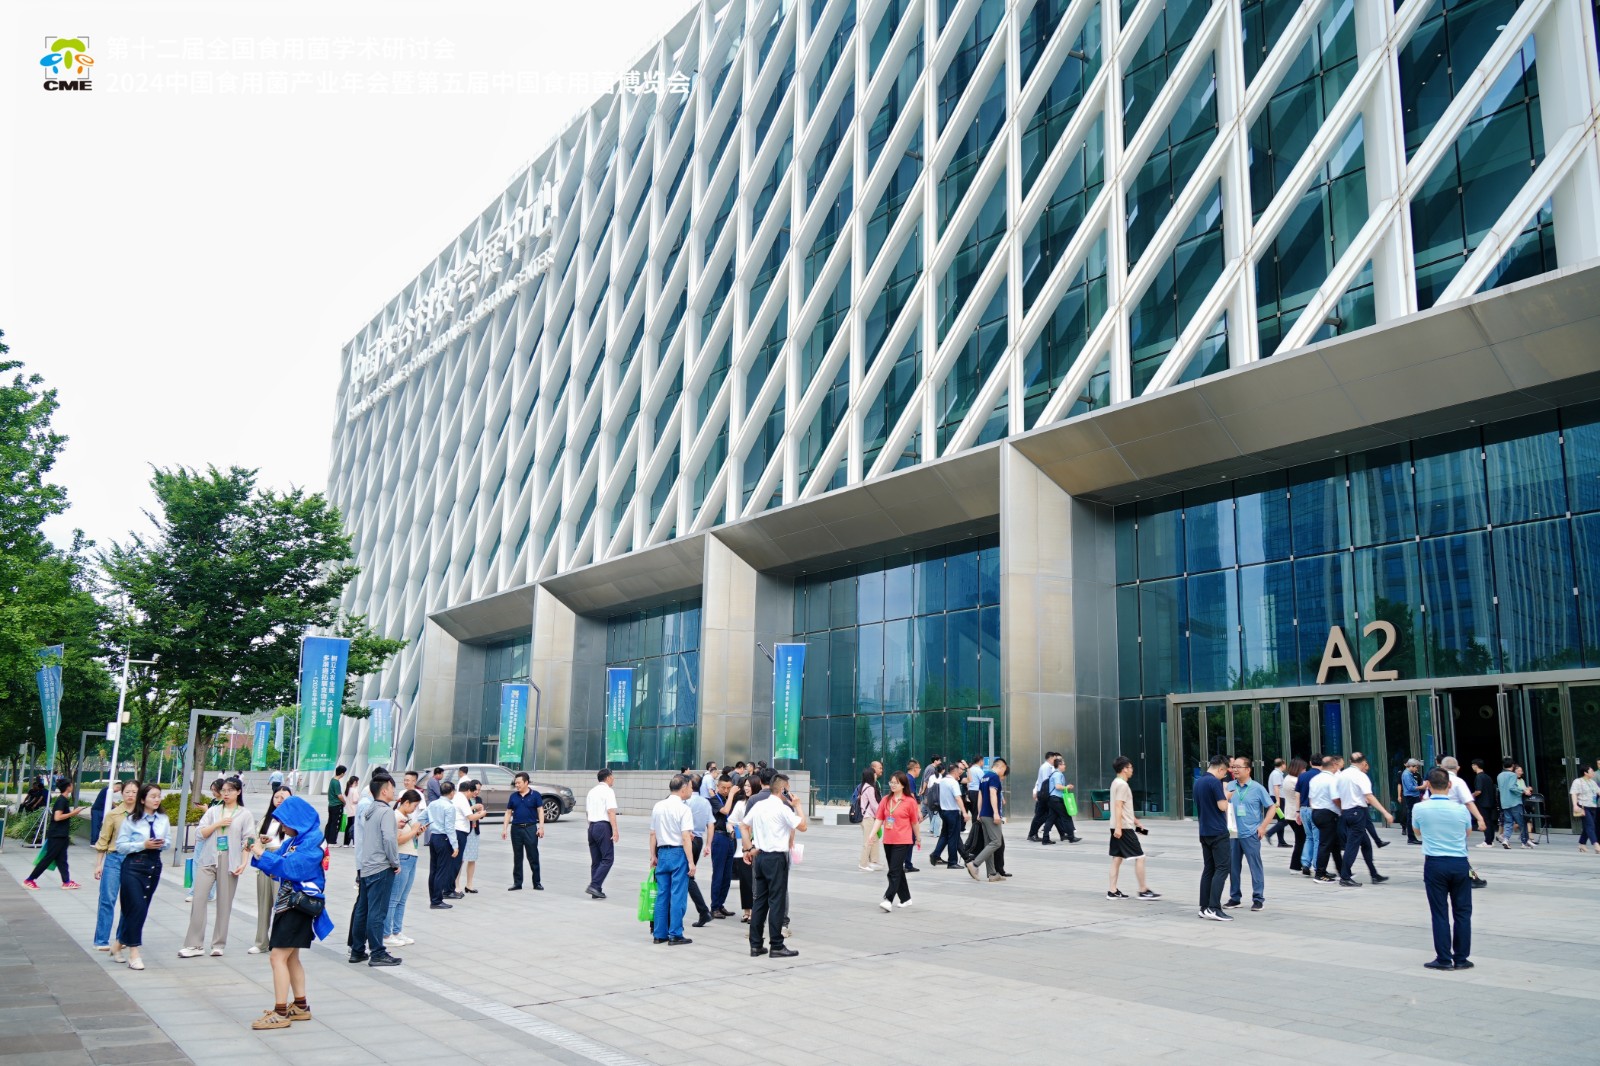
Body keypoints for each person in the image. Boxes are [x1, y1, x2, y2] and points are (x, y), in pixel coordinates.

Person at [247, 795, 333, 1029]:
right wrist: (259, 851)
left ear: (297, 820)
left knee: (277, 957)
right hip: (290, 904)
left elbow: (292, 867)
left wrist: (261, 853)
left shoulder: (312, 841)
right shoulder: (298, 839)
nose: (283, 828)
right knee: (291, 957)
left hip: (298, 905)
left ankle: (280, 1012)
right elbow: (277, 861)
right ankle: (300, 1006)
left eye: (285, 823)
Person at [180, 776, 252, 958]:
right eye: (224, 790)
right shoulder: (213, 811)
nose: (226, 794)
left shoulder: (244, 814)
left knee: (224, 903)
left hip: (230, 860)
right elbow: (200, 834)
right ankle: (194, 944)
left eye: (230, 790)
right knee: (198, 899)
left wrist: (244, 862)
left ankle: (218, 944)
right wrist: (218, 824)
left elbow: (249, 840)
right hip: (208, 858)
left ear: (238, 792)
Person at [1411, 770, 1474, 971]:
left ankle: (1444, 959)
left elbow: (1417, 832)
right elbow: (1467, 832)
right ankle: (1461, 958)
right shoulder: (1461, 809)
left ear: (1428, 785)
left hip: (1435, 863)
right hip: (1460, 863)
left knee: (1439, 912)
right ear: (1450, 785)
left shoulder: (1419, 808)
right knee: (1462, 912)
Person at [743, 771, 805, 958]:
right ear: (784, 789)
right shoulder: (783, 808)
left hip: (760, 857)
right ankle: (776, 945)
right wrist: (798, 806)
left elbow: (743, 825)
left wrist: (748, 848)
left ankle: (755, 945)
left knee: (760, 901)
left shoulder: (759, 805)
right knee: (776, 901)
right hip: (776, 858)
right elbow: (803, 826)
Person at [112, 783, 170, 970]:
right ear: (143, 799)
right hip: (133, 865)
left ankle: (119, 943)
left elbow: (168, 842)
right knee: (136, 906)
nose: (157, 799)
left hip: (153, 865)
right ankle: (134, 953)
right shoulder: (132, 820)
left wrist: (161, 843)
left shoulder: (163, 819)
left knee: (141, 908)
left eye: (159, 796)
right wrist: (142, 844)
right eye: (153, 796)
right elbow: (121, 846)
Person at [350, 772, 401, 967]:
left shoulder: (369, 809)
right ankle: (377, 952)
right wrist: (395, 862)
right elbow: (389, 838)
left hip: (366, 866)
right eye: (392, 788)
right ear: (384, 790)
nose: (394, 791)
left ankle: (357, 950)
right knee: (377, 912)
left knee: (363, 910)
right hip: (381, 867)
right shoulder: (386, 811)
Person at [648, 774, 697, 945]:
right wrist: (691, 862)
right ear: (683, 788)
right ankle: (675, 934)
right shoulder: (684, 809)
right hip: (678, 853)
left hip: (662, 853)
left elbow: (653, 833)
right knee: (678, 895)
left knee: (662, 894)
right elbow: (685, 837)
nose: (691, 790)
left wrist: (653, 855)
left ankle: (659, 934)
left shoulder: (658, 806)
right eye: (690, 787)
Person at [1225, 756, 1279, 911]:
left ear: (1248, 769)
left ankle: (1258, 898)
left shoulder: (1257, 788)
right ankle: (1235, 897)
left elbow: (1272, 807)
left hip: (1251, 833)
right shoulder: (1230, 786)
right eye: (1233, 767)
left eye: (1238, 767)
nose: (1235, 770)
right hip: (1233, 833)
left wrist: (1263, 827)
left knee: (1255, 866)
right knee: (1233, 867)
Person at [92, 780, 140, 950]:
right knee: (107, 899)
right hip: (114, 859)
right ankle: (101, 940)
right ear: (121, 793)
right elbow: (103, 840)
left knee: (129, 901)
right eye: (127, 792)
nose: (130, 795)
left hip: (134, 860)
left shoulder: (144, 815)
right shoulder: (113, 815)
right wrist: (99, 864)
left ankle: (122, 939)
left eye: (134, 792)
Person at [1336, 752, 1394, 887]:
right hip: (1358, 813)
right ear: (1363, 763)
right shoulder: (1361, 776)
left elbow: (1338, 796)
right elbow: (1369, 796)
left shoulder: (1342, 775)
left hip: (1346, 812)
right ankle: (1345, 877)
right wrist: (1385, 813)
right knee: (1352, 846)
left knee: (1366, 844)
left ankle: (1374, 874)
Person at [1106, 756, 1158, 900]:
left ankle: (1112, 890)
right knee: (1140, 857)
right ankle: (1143, 890)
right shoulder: (1122, 785)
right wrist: (1120, 827)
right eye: (1130, 767)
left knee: (1117, 858)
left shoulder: (1115, 783)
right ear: (1124, 769)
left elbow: (1123, 808)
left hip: (1118, 826)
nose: (1132, 770)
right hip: (1123, 828)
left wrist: (1135, 822)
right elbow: (1118, 806)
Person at [24, 775, 86, 891]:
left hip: (61, 835)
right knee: (48, 858)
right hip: (57, 835)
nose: (72, 786)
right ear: (68, 787)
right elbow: (57, 817)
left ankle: (66, 882)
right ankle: (30, 879)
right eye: (71, 785)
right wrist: (73, 813)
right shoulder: (61, 800)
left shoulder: (64, 800)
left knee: (62, 859)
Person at [250, 785, 292, 955]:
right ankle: (261, 942)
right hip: (265, 860)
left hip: (281, 863)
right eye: (276, 797)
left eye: (283, 797)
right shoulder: (266, 819)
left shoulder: (292, 820)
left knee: (280, 904)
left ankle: (279, 941)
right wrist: (260, 843)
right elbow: (256, 841)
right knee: (263, 903)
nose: (279, 800)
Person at [383, 788, 425, 949]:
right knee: (394, 898)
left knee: (402, 899)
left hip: (411, 857)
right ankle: (386, 934)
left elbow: (406, 837)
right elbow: (397, 840)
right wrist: (414, 830)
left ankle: (396, 931)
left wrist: (416, 833)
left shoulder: (406, 817)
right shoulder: (396, 817)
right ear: (406, 802)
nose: (415, 809)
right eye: (414, 806)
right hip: (403, 857)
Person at [875, 771, 921, 912]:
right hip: (888, 840)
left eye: (896, 783)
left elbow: (914, 822)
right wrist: (871, 835)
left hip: (903, 840)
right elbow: (879, 819)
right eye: (891, 782)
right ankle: (906, 898)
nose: (893, 785)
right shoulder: (885, 800)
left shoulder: (910, 801)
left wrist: (918, 838)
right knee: (897, 870)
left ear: (903, 785)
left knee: (893, 871)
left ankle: (888, 899)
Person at [1194, 756, 1232, 921]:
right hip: (1218, 831)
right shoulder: (1214, 782)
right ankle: (1214, 907)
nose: (1224, 776)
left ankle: (1204, 907)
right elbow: (1222, 806)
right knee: (1222, 868)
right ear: (1221, 769)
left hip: (1204, 831)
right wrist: (1227, 796)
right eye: (1224, 773)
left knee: (1209, 869)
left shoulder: (1198, 782)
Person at [965, 757, 1008, 882]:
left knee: (988, 843)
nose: (1004, 773)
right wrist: (996, 813)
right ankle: (974, 864)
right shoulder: (994, 777)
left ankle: (992, 873)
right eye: (1004, 770)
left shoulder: (984, 777)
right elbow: (992, 793)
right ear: (1000, 767)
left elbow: (980, 795)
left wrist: (979, 812)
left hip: (984, 814)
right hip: (990, 814)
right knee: (996, 842)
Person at [503, 771, 546, 891]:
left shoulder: (535, 795)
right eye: (515, 783)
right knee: (517, 856)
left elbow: (540, 811)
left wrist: (541, 827)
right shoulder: (513, 796)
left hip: (530, 828)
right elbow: (508, 813)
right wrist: (504, 829)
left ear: (526, 782)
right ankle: (517, 883)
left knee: (533, 856)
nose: (517, 785)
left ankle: (537, 883)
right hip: (516, 829)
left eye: (519, 783)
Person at [584, 769, 619, 899]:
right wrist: (615, 830)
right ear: (608, 778)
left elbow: (587, 812)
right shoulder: (608, 791)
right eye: (612, 776)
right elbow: (610, 811)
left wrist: (591, 826)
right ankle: (594, 885)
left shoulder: (591, 791)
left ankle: (596, 890)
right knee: (608, 858)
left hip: (592, 826)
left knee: (596, 861)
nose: (613, 778)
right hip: (603, 826)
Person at [1308, 755, 1343, 883]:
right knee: (1326, 844)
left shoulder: (1315, 779)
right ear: (1333, 765)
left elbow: (1311, 798)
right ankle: (1320, 873)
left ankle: (1342, 870)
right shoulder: (1332, 780)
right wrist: (1342, 809)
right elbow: (1335, 798)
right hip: (1328, 814)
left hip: (1316, 812)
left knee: (1334, 843)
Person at [425, 780, 459, 909]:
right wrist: (455, 845)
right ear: (452, 792)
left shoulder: (433, 804)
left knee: (433, 870)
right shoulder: (449, 807)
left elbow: (423, 817)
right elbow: (449, 828)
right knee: (441, 871)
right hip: (443, 838)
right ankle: (437, 900)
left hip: (434, 837)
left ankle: (433, 899)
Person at [728, 775, 757, 923]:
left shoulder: (760, 804)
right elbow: (730, 822)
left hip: (757, 848)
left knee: (755, 882)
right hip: (742, 848)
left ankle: (755, 911)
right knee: (745, 882)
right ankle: (746, 910)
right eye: (745, 785)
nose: (746, 788)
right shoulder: (740, 804)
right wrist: (731, 830)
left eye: (749, 786)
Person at [709, 773, 736, 918]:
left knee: (727, 875)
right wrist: (731, 795)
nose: (726, 790)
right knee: (718, 873)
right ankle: (714, 907)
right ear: (718, 786)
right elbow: (725, 811)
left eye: (729, 788)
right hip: (719, 837)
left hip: (730, 837)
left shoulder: (729, 799)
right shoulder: (714, 799)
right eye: (723, 788)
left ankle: (721, 904)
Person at [930, 763, 967, 868]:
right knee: (953, 837)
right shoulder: (953, 783)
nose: (960, 774)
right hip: (952, 812)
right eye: (959, 772)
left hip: (944, 811)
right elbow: (958, 798)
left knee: (945, 835)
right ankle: (952, 862)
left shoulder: (942, 781)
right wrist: (964, 812)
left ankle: (935, 855)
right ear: (954, 772)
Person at [455, 780, 487, 893]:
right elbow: (466, 814)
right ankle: (456, 884)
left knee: (472, 858)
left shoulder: (479, 799)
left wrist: (481, 812)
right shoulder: (464, 799)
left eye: (479, 790)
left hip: (474, 831)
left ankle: (469, 884)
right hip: (464, 830)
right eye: (475, 789)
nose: (476, 792)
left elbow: (480, 817)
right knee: (460, 859)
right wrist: (474, 808)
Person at [1041, 756, 1080, 845]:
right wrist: (1067, 787)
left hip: (1052, 799)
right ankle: (1071, 837)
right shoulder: (1058, 774)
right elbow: (1057, 786)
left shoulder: (1054, 774)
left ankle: (1045, 839)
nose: (1065, 766)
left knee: (1051, 819)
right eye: (1063, 764)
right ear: (1059, 765)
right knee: (1066, 817)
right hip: (1056, 799)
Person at [1496, 758, 1534, 849]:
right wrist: (1524, 790)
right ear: (1512, 766)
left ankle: (1506, 839)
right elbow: (1512, 788)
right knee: (1522, 822)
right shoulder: (1513, 775)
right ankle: (1524, 843)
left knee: (1508, 822)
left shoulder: (1499, 775)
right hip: (1515, 802)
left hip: (1504, 802)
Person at [1294, 755, 1321, 878]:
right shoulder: (1321, 776)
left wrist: (1297, 811)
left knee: (1309, 837)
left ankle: (1305, 863)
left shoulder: (1302, 776)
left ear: (1310, 763)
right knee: (1317, 839)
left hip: (1303, 809)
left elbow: (1297, 795)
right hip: (1315, 809)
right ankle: (1317, 865)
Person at [1280, 758, 1307, 871]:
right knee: (1301, 840)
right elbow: (1299, 796)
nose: (1305, 771)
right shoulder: (1295, 781)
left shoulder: (1287, 778)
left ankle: (1297, 865)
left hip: (1289, 813)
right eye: (1304, 769)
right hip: (1296, 813)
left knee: (1300, 840)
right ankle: (1296, 865)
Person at [1027, 752, 1060, 841]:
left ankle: (1033, 834)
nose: (1055, 761)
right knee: (1040, 815)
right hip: (1044, 794)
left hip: (1043, 793)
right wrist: (1046, 794)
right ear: (1050, 758)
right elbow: (1045, 782)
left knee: (1045, 814)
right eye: (1054, 759)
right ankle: (1032, 834)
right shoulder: (1046, 767)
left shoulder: (1048, 767)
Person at [853, 770, 882, 871]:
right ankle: (863, 864)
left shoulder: (863, 786)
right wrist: (882, 813)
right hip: (868, 817)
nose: (876, 776)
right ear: (871, 776)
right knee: (868, 841)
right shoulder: (870, 788)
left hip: (865, 817)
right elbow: (874, 804)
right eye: (874, 774)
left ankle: (873, 861)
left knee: (874, 839)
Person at [1571, 763, 1599, 853]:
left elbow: (1598, 792)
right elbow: (1574, 793)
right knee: (1591, 826)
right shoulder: (1578, 781)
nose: (1593, 772)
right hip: (1583, 807)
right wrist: (1575, 805)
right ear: (1585, 773)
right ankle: (1596, 845)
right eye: (1591, 771)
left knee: (1588, 826)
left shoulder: (1592, 782)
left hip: (1593, 807)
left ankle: (1582, 844)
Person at [1471, 759, 1497, 847]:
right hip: (1490, 802)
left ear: (1476, 765)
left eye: (1473, 765)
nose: (1472, 767)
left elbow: (1478, 791)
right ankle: (1490, 840)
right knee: (1489, 822)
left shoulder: (1479, 777)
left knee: (1485, 821)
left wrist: (1472, 795)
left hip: (1482, 802)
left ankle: (1487, 841)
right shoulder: (1488, 777)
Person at [1264, 758, 1289, 847]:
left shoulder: (1277, 773)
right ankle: (1269, 833)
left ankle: (1281, 841)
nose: (1285, 766)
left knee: (1281, 820)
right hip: (1278, 798)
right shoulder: (1276, 774)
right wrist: (1278, 800)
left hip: (1278, 798)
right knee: (1284, 820)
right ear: (1282, 764)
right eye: (1285, 764)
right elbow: (1276, 787)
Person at [1399, 759, 1424, 844]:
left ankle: (1412, 837)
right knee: (1411, 817)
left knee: (1412, 816)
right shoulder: (1406, 774)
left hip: (1413, 796)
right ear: (1411, 766)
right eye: (1416, 767)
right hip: (1411, 797)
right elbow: (1410, 787)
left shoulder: (1409, 774)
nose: (1416, 769)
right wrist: (1421, 787)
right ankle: (1411, 838)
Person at [324, 765, 348, 848]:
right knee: (335, 823)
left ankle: (327, 839)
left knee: (330, 823)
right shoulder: (336, 782)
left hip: (331, 805)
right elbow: (339, 795)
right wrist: (344, 802)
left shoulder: (332, 780)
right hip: (337, 805)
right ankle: (332, 841)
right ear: (342, 773)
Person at [341, 771, 361, 847]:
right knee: (354, 827)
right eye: (357, 782)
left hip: (349, 810)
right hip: (354, 810)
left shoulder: (347, 790)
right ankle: (354, 842)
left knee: (348, 826)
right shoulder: (354, 790)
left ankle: (346, 843)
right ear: (355, 782)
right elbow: (355, 800)